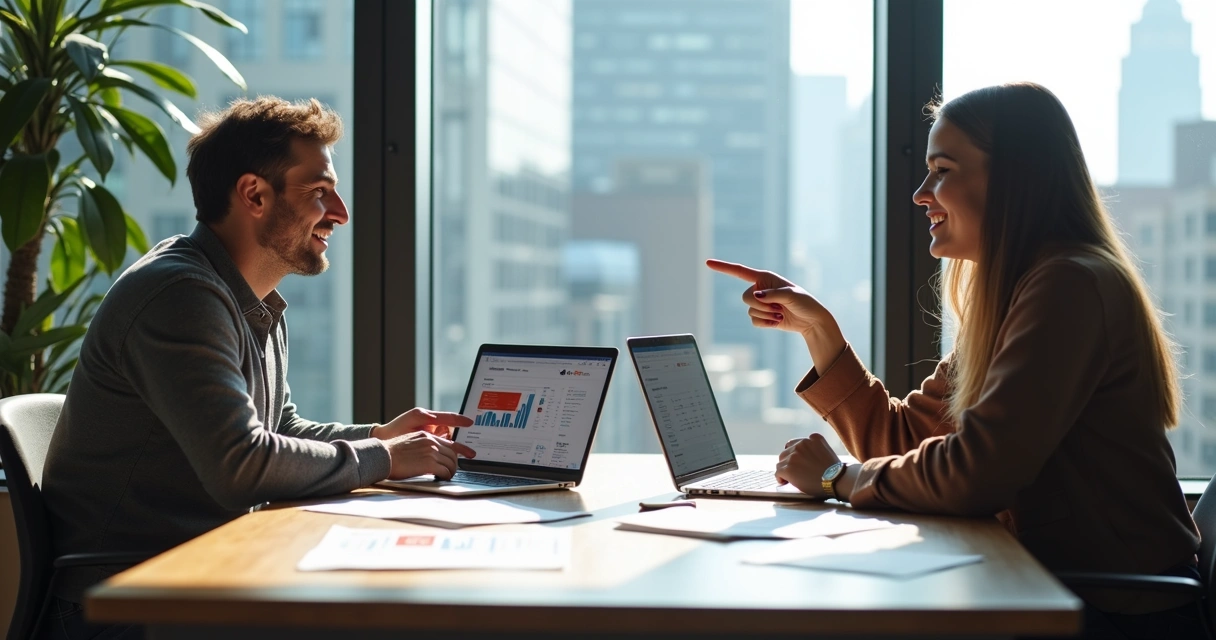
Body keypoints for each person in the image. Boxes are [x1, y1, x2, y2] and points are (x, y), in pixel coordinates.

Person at [710, 83, 1203, 639]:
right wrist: (819, 330)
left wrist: (835, 477)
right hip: (1053, 589)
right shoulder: (1022, 292)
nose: (921, 194)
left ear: (1015, 178)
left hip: (1119, 613)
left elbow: (976, 474)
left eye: (941, 171)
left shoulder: (1069, 285)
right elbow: (903, 440)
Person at [39, 97, 475, 640]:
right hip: (124, 608)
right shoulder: (179, 294)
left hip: (198, 577)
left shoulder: (250, 299)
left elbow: (280, 428)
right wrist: (384, 458)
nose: (340, 212)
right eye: (319, 192)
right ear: (254, 195)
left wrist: (378, 436)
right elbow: (240, 466)